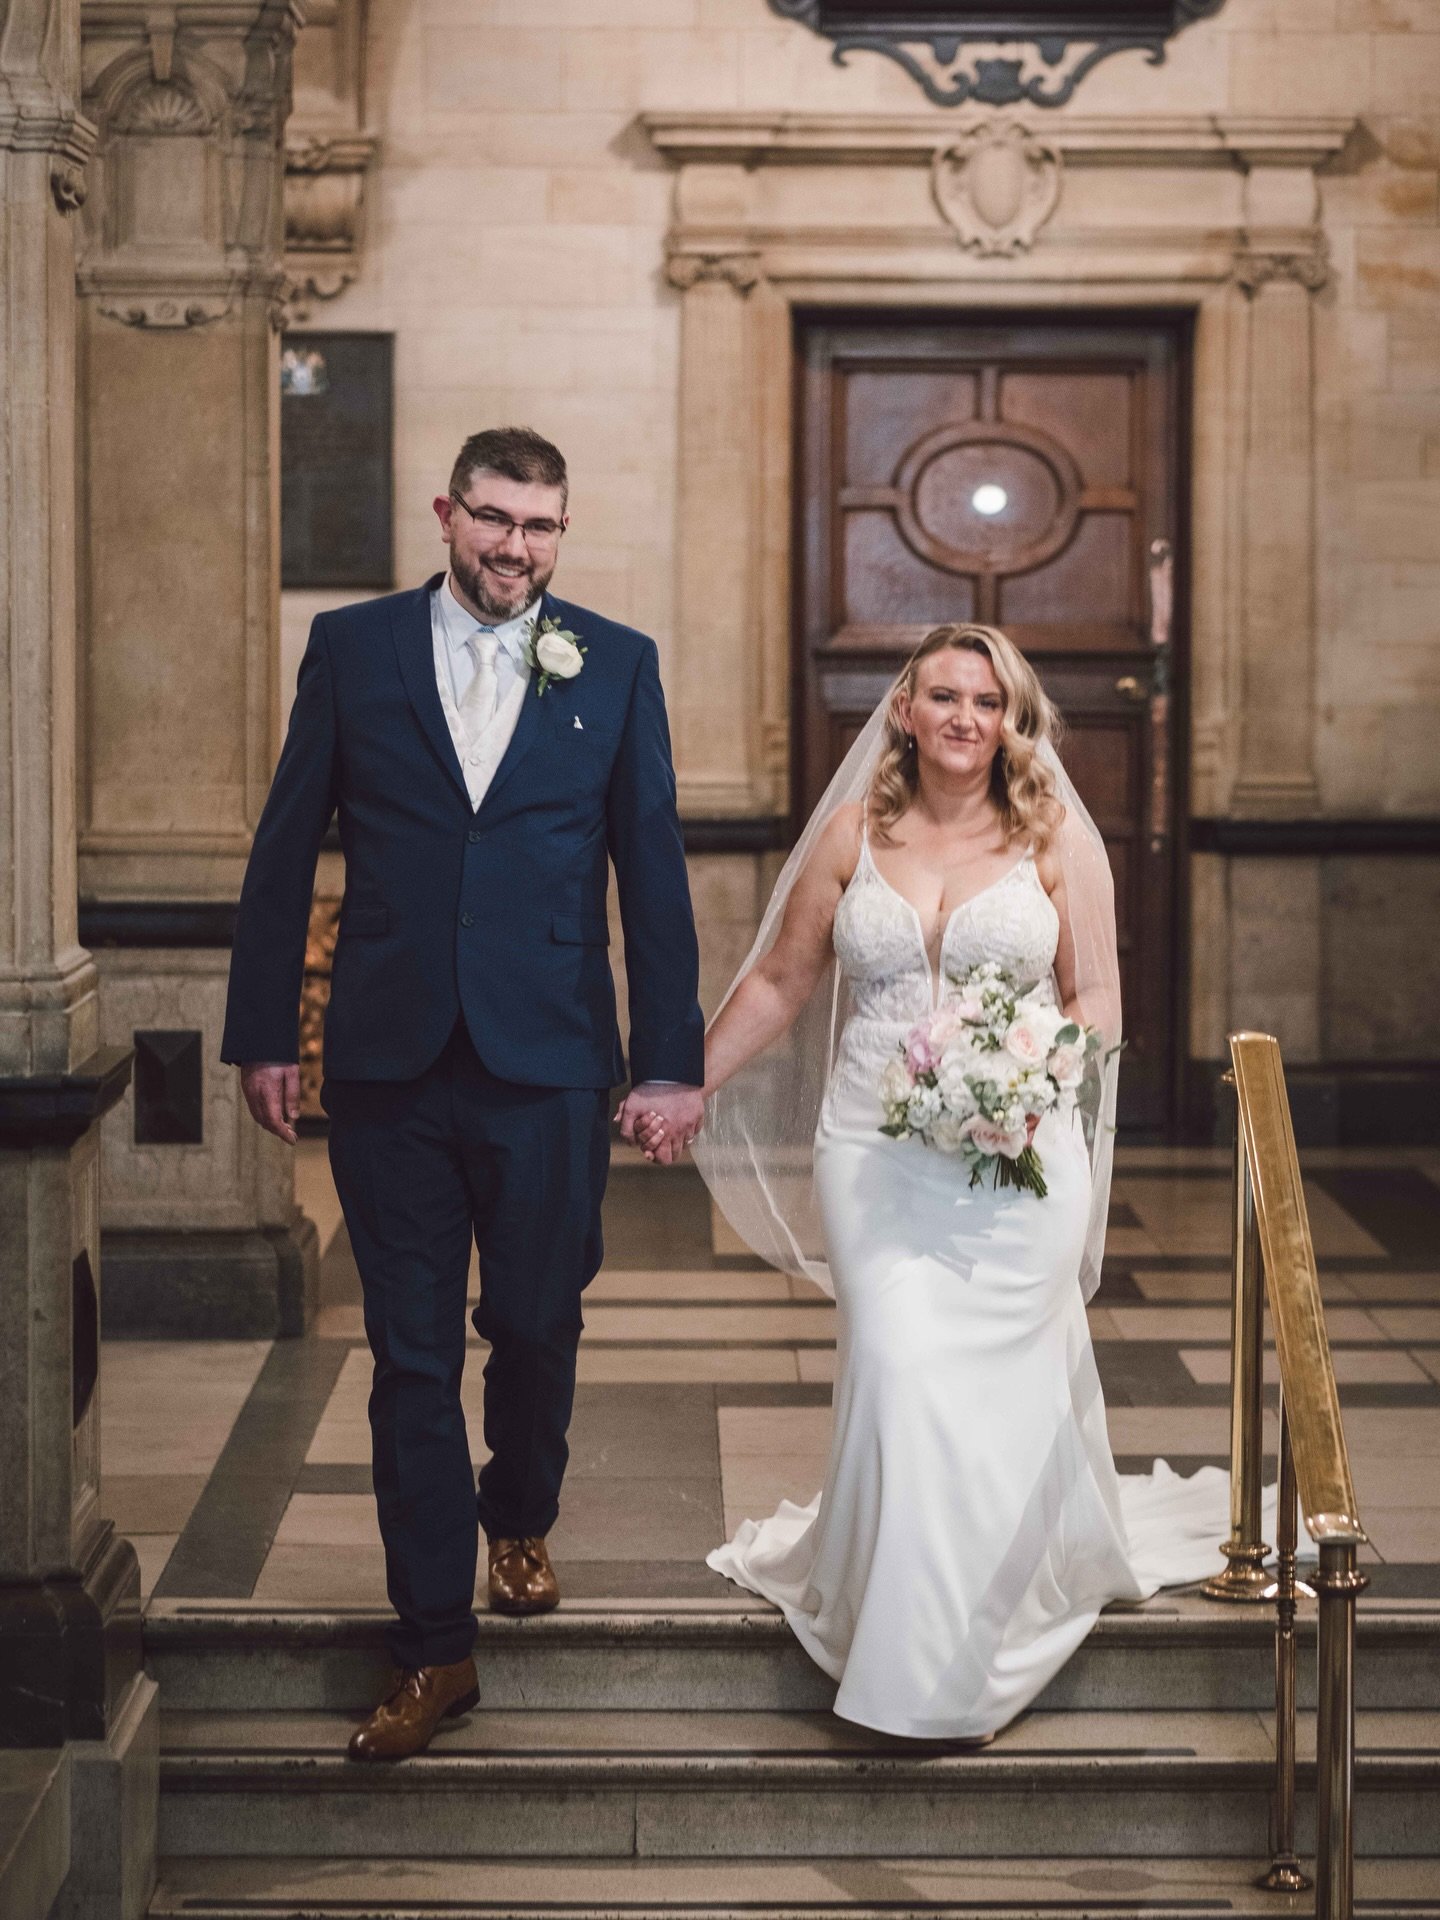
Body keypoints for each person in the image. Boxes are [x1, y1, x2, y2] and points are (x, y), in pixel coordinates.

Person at [658, 623, 1249, 1742]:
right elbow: (784, 982)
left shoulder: (1057, 839)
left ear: (1013, 720)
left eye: (988, 700)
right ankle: (907, 1623)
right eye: (944, 696)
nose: (966, 717)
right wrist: (683, 1085)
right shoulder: (851, 834)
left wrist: (1031, 1084)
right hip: (872, 1150)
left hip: (1017, 1156)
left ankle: (958, 1644)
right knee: (898, 1364)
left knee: (985, 1393)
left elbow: (1099, 1001)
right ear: (906, 712)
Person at [222, 426, 705, 1761]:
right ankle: (434, 1644)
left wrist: (671, 1059)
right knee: (410, 1360)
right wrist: (266, 1034)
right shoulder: (355, 649)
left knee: (539, 1321)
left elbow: (651, 878)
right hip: (387, 1066)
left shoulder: (615, 664)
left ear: (562, 530)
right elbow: (283, 846)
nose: (515, 548)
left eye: (540, 526)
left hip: (550, 1061)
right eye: (493, 519)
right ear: (447, 513)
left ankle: (523, 1510)